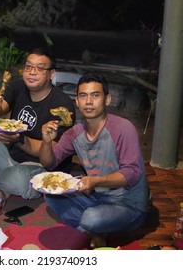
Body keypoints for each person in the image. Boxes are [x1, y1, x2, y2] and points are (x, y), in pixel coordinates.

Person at [39, 72, 150, 249]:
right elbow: (49, 163)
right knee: (50, 196)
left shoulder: (122, 128)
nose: (88, 101)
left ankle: (91, 228)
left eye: (95, 95)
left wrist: (96, 181)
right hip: (95, 197)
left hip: (128, 204)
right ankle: (96, 231)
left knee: (91, 218)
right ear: (77, 101)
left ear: (107, 100)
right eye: (83, 96)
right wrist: (46, 141)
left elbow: (133, 174)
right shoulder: (74, 133)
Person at [0, 47, 76, 201]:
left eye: (40, 68)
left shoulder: (62, 105)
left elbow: (51, 154)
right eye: (29, 66)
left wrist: (19, 140)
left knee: (17, 180)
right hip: (9, 153)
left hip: (38, 165)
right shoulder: (18, 85)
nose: (32, 72)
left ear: (51, 74)